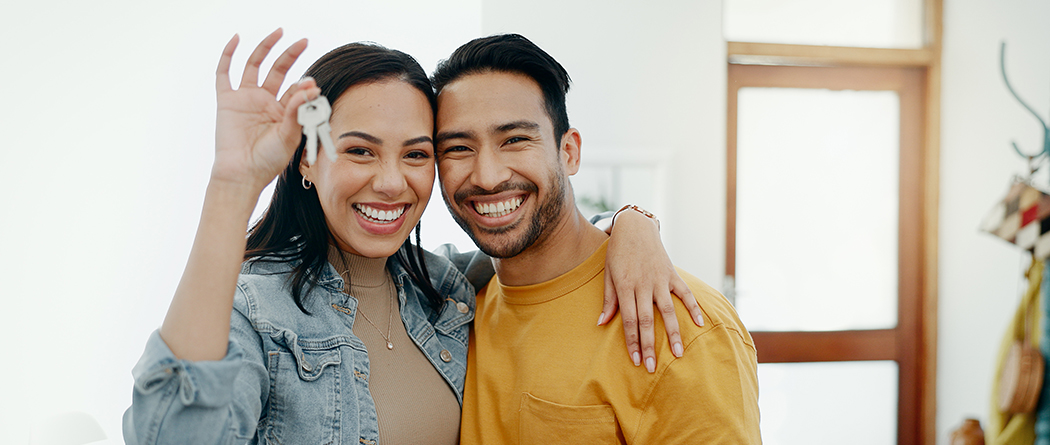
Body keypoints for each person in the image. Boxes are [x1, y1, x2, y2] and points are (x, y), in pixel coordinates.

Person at [122, 29, 699, 444]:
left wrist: (630, 225)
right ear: (306, 161)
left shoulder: (444, 288)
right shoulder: (256, 309)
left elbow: (538, 248)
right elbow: (173, 432)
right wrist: (232, 185)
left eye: (417, 154)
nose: (392, 182)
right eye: (359, 150)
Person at [431, 33, 762, 444]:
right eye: (458, 148)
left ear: (568, 153)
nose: (488, 176)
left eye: (515, 140)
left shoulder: (679, 322)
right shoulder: (449, 306)